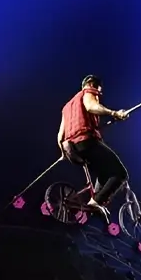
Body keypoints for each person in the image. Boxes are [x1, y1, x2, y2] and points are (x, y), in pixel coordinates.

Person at [57, 75, 131, 222]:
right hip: (86, 140)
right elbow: (91, 106)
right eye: (98, 91)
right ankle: (96, 201)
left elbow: (60, 136)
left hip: (73, 148)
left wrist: (63, 153)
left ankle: (95, 202)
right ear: (91, 84)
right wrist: (114, 113)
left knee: (104, 174)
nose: (98, 95)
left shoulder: (66, 107)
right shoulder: (87, 93)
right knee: (120, 174)